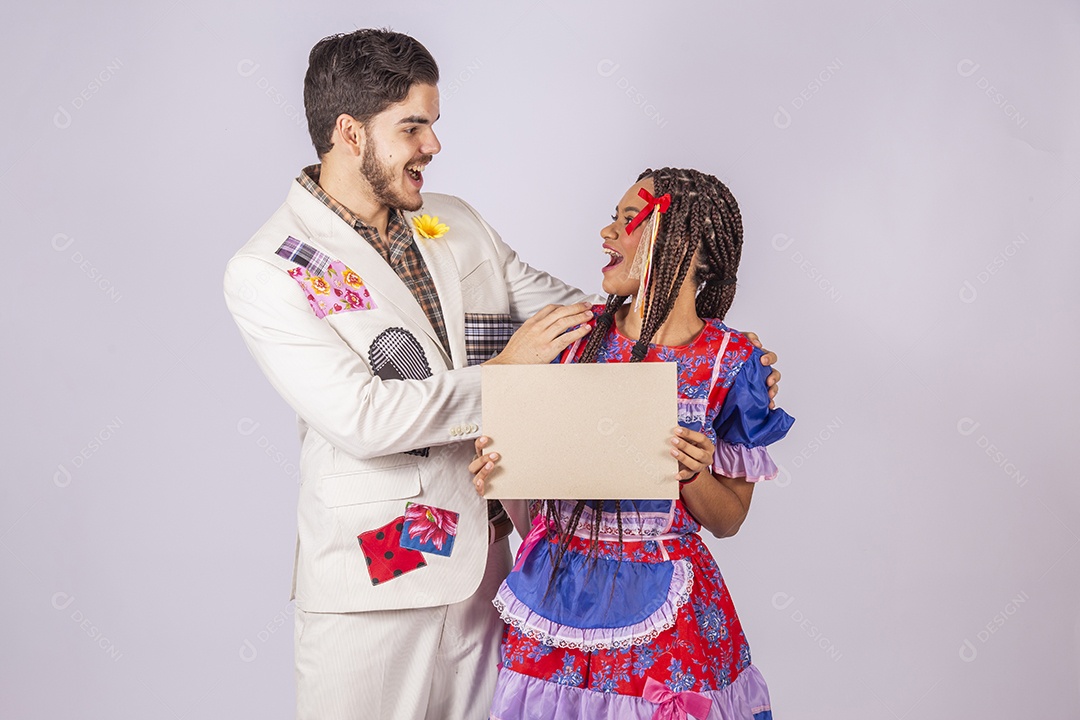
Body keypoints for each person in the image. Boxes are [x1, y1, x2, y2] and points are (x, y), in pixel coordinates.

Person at [223, 28, 782, 720]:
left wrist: (711, 346)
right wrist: (507, 377)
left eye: (434, 124)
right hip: (380, 572)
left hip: (498, 569)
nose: (433, 146)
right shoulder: (271, 267)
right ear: (351, 133)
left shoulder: (453, 222)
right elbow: (361, 416)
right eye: (414, 127)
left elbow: (585, 322)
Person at [469, 168, 794, 720]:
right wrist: (499, 474)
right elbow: (533, 477)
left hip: (666, 613)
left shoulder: (732, 363)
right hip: (555, 593)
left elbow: (729, 520)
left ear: (687, 247)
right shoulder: (573, 339)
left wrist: (694, 474)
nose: (605, 232)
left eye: (627, 220)